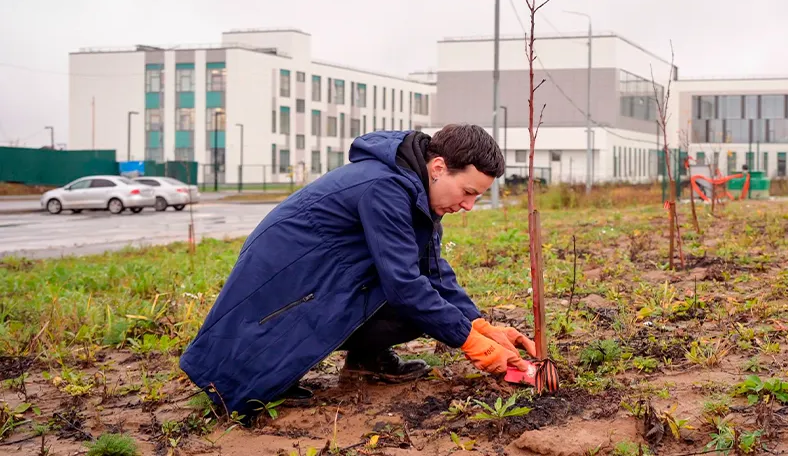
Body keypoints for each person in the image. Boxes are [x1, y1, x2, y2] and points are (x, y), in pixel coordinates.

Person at [179, 124, 536, 417]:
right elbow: (404, 284)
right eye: (468, 192)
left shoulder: (418, 193)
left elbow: (432, 271)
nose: (470, 205)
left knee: (425, 308)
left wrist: (478, 324)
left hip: (325, 279)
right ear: (439, 167)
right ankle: (252, 374)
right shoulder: (385, 187)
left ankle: (368, 360)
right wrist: (469, 341)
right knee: (254, 382)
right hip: (286, 283)